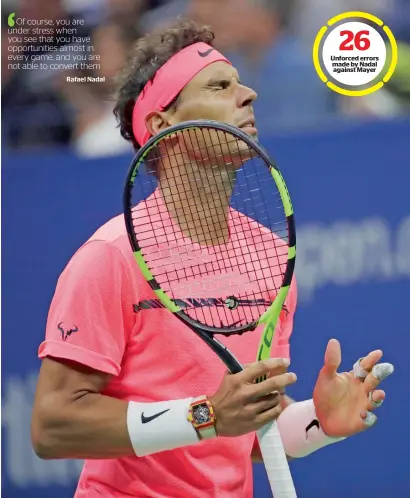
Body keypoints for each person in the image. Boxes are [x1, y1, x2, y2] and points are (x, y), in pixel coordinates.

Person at [31, 20, 394, 498]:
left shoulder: (268, 253)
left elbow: (249, 431)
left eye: (240, 82)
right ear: (163, 125)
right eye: (220, 86)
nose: (248, 94)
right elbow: (53, 425)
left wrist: (319, 421)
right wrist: (205, 416)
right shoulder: (110, 259)